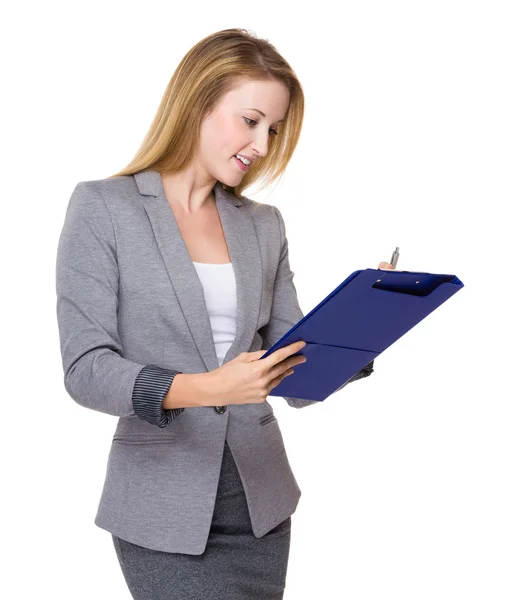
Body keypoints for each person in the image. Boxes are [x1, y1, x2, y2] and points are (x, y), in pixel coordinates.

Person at [55, 27, 393, 600]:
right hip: (163, 505)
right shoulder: (103, 208)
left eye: (274, 129)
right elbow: (85, 369)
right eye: (251, 120)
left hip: (261, 498)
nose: (262, 144)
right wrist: (208, 386)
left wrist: (365, 321)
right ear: (198, 103)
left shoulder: (263, 224)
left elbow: (296, 368)